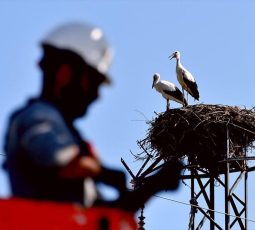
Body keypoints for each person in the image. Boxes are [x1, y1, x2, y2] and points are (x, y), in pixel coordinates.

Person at [2, 22, 182, 213]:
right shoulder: (37, 117)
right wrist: (104, 173)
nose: (97, 96)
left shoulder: (70, 135)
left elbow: (106, 214)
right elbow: (62, 161)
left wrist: (153, 184)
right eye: (93, 83)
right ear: (65, 74)